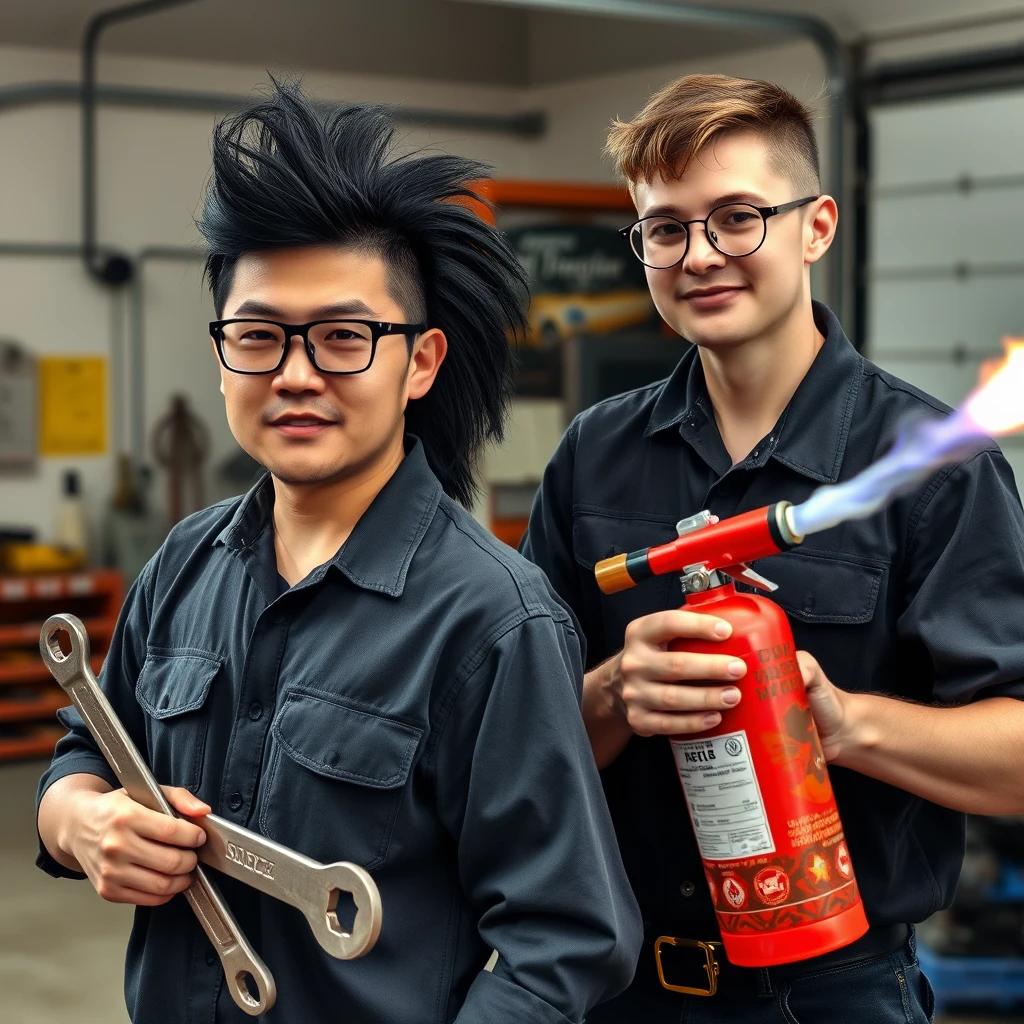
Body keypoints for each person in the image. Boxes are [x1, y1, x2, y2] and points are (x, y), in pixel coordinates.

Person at [36, 82, 642, 1024]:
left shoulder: (493, 620)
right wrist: (82, 822)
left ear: (422, 363)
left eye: (344, 338)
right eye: (259, 337)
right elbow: (88, 747)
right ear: (224, 353)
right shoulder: (184, 566)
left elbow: (564, 940)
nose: (296, 374)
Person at [521, 73, 1024, 1023]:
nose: (700, 255)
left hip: (833, 995)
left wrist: (842, 724)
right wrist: (611, 696)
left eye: (739, 217)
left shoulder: (934, 470)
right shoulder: (594, 456)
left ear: (818, 227)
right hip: (615, 985)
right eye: (666, 229)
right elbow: (511, 748)